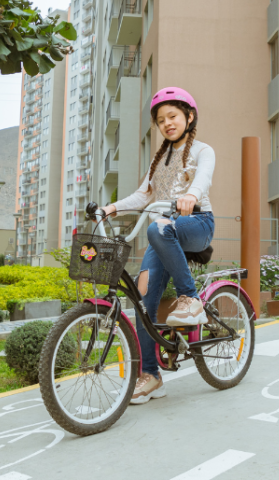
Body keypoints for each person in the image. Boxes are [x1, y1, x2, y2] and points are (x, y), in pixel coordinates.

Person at [101, 86, 215, 405]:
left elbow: (203, 177)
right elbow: (144, 196)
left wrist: (191, 195)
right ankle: (150, 376)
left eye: (173, 116)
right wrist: (112, 208)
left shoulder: (203, 150)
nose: (167, 123)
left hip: (196, 224)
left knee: (159, 226)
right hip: (161, 233)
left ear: (189, 117)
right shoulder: (159, 158)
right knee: (141, 301)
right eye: (161, 119)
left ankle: (190, 298)